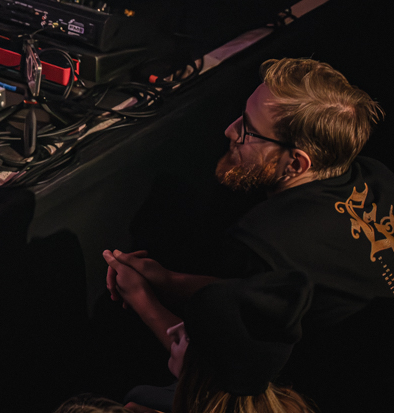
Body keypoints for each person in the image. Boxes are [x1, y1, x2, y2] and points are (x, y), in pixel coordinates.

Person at [104, 58, 389, 331]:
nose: (230, 130)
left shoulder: (265, 245)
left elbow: (218, 348)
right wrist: (167, 278)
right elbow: (247, 292)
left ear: (295, 164)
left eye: (248, 131)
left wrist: (144, 297)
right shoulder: (377, 174)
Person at [107, 261, 317, 413]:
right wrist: (147, 289)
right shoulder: (282, 402)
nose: (172, 331)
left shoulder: (146, 401)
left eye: (189, 335)